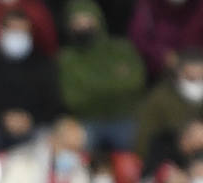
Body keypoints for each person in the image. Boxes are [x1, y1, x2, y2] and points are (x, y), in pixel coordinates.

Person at [0, 10, 62, 164]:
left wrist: (30, 119)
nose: (18, 36)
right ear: (1, 32)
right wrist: (3, 119)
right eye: (13, 30)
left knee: (48, 134)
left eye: (23, 31)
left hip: (32, 125)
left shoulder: (42, 63)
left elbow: (53, 103)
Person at [57, 0, 145, 154]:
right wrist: (114, 85)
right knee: (73, 145)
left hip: (123, 117)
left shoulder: (122, 49)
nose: (83, 26)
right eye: (77, 22)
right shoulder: (67, 58)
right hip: (86, 120)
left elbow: (135, 84)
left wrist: (91, 87)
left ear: (99, 21)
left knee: (133, 149)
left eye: (87, 20)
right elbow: (72, 98)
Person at [135, 49, 203, 168]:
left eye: (202, 78)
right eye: (191, 78)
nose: (197, 83)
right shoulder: (158, 99)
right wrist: (181, 142)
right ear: (179, 73)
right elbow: (143, 143)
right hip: (173, 165)